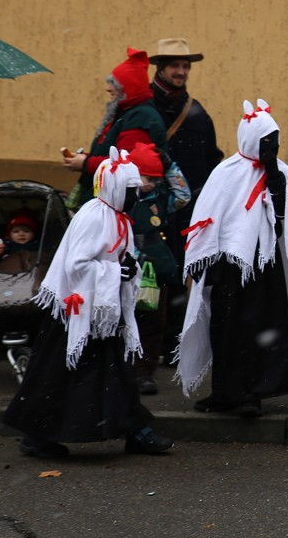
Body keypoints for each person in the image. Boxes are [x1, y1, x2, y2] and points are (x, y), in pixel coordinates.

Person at [2, 146, 173, 457]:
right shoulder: (95, 216)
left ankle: (135, 430)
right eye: (131, 190)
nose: (136, 196)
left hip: (100, 311)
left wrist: (127, 269)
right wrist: (113, 271)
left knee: (110, 372)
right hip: (78, 312)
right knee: (62, 373)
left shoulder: (117, 217)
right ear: (116, 188)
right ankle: (38, 436)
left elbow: (118, 258)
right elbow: (76, 265)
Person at [175, 100, 288, 417]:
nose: (272, 148)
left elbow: (285, 221)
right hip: (229, 267)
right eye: (266, 141)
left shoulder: (281, 174)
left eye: (275, 141)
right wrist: (205, 260)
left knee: (260, 329)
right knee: (225, 330)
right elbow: (208, 218)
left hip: (265, 266)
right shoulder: (226, 173)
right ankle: (225, 393)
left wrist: (273, 177)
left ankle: (252, 394)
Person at [147, 38, 223, 364]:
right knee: (147, 278)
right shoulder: (143, 110)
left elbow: (212, 162)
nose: (181, 72)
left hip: (185, 212)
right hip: (146, 210)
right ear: (160, 68)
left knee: (178, 276)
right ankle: (144, 348)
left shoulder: (196, 114)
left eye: (185, 66)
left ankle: (172, 344)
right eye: (175, 66)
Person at [62, 48, 168, 208]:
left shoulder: (139, 117)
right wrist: (84, 158)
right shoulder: (127, 113)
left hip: (118, 205)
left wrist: (86, 163)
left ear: (128, 88)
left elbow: (125, 164)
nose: (109, 88)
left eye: (114, 84)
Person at [127, 142, 190, 395]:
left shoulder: (160, 198)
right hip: (126, 269)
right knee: (125, 320)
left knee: (153, 321)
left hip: (155, 271)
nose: (151, 183)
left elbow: (184, 196)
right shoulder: (119, 197)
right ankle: (121, 369)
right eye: (146, 178)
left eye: (155, 178)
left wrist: (170, 167)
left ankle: (145, 373)